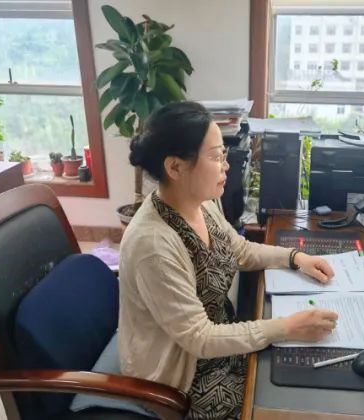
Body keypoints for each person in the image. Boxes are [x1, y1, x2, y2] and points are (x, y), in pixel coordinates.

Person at [119, 101, 339, 419]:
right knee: (286, 402)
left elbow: (240, 250)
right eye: (215, 157)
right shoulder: (153, 245)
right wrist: (286, 327)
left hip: (218, 341)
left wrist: (295, 257)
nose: (226, 167)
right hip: (182, 379)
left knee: (298, 375)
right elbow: (200, 338)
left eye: (224, 154)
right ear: (175, 168)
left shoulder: (202, 202)